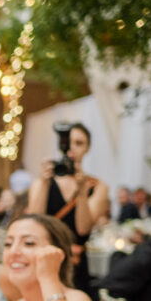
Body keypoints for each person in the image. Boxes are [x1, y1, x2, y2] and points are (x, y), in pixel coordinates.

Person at [28, 123, 108, 290]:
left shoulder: (97, 186)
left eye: (79, 143)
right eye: (68, 142)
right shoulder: (42, 182)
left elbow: (83, 228)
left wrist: (81, 192)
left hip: (76, 262)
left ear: (87, 148)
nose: (73, 148)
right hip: (45, 258)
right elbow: (34, 221)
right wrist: (44, 182)